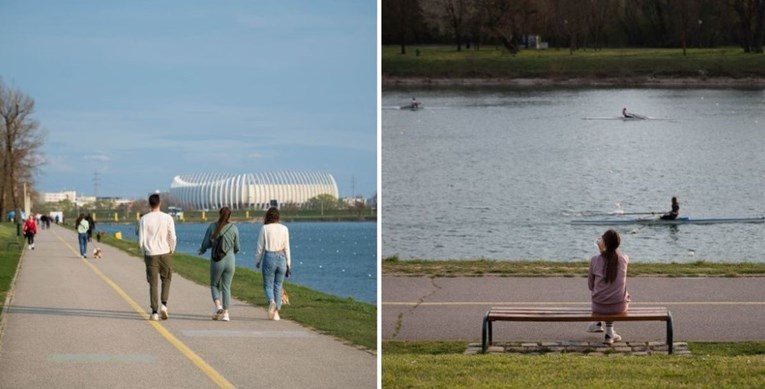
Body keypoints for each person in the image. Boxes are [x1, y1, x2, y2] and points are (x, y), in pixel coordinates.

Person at [586, 229, 631, 344]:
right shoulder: (624, 259)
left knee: (603, 294)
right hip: (619, 306)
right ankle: (607, 331)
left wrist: (601, 249)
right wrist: (605, 248)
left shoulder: (595, 260)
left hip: (599, 307)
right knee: (614, 294)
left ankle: (602, 327)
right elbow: (613, 256)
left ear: (603, 243)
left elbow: (591, 286)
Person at [138, 194, 177, 321]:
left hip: (150, 254)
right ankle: (164, 305)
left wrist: (144, 252)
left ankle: (154, 311)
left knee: (153, 283)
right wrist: (171, 249)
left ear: (149, 204)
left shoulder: (144, 219)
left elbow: (141, 240)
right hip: (165, 252)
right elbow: (173, 237)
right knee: (166, 278)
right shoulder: (167, 218)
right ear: (159, 203)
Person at [198, 207, 240, 322]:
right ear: (229, 216)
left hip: (217, 260)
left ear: (219, 214)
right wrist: (233, 251)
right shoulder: (234, 228)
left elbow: (206, 243)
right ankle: (226, 314)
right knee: (227, 287)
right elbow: (237, 247)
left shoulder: (212, 227)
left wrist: (202, 250)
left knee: (214, 284)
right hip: (230, 260)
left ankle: (218, 305)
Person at [255, 207, 291, 321]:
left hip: (269, 256)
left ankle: (271, 302)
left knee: (268, 284)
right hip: (282, 258)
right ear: (278, 217)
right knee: (278, 285)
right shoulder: (284, 228)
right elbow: (287, 247)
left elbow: (260, 247)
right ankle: (276, 313)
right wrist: (289, 263)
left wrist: (257, 261)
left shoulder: (265, 228)